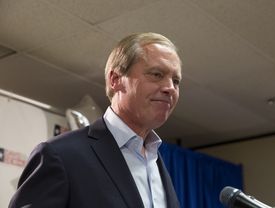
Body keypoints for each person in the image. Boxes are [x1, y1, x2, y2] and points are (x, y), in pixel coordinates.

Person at [9, 32, 182, 208]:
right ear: (115, 80)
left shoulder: (157, 162)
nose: (170, 88)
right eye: (156, 74)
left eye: (176, 81)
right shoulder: (60, 155)